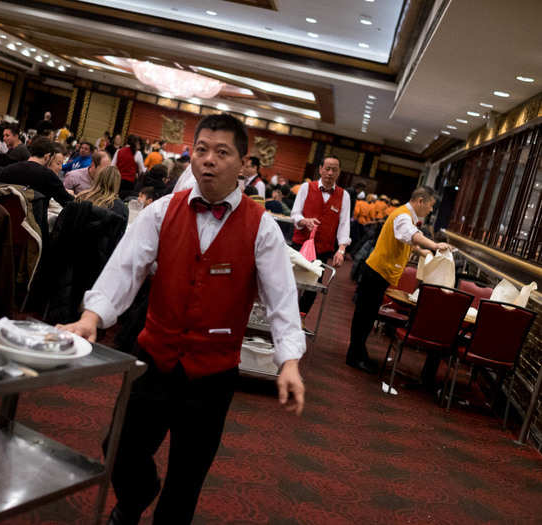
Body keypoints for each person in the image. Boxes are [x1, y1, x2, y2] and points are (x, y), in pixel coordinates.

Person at [60, 113, 305, 525]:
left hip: (213, 372)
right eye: (202, 149)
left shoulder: (261, 228)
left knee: (187, 478)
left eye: (222, 152)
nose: (208, 160)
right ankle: (137, 495)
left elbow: (282, 299)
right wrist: (91, 317)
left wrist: (290, 361)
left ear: (244, 164)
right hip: (155, 356)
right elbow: (125, 268)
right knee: (118, 448)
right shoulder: (161, 211)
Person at [346, 186, 449, 374]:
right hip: (376, 271)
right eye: (431, 205)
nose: (431, 210)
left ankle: (358, 353)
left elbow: (404, 240)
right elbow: (410, 234)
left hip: (380, 273)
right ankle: (354, 356)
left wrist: (420, 251)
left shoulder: (406, 216)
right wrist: (434, 245)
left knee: (366, 316)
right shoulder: (403, 215)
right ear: (420, 201)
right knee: (364, 317)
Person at [290, 156, 350, 313]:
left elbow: (344, 225)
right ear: (320, 169)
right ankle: (285, 313)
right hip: (300, 243)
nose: (330, 173)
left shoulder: (344, 196)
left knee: (313, 284)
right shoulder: (306, 187)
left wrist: (341, 250)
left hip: (323, 248)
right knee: (291, 280)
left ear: (339, 173)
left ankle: (302, 317)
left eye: (334, 170)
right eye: (327, 169)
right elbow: (294, 214)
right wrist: (304, 221)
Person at [0, 136, 74, 207]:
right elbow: (68, 202)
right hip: (34, 219)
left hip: (7, 218)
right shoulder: (48, 176)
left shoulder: (8, 169)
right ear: (47, 156)